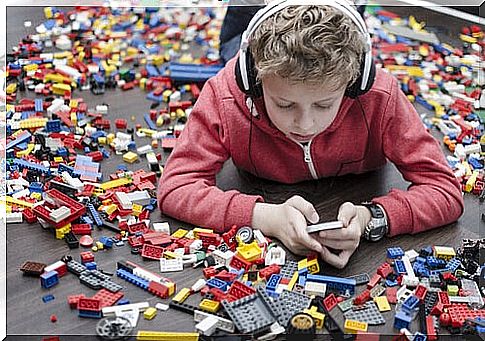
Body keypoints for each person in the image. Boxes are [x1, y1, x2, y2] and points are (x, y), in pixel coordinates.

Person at [158, 0, 464, 269]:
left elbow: (446, 191)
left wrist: (371, 218)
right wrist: (264, 218)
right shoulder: (227, 90)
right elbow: (175, 187)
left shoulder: (379, 94)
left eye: (323, 104)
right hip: (244, 35)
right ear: (253, 79)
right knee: (232, 42)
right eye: (284, 103)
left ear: (354, 82)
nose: (305, 124)